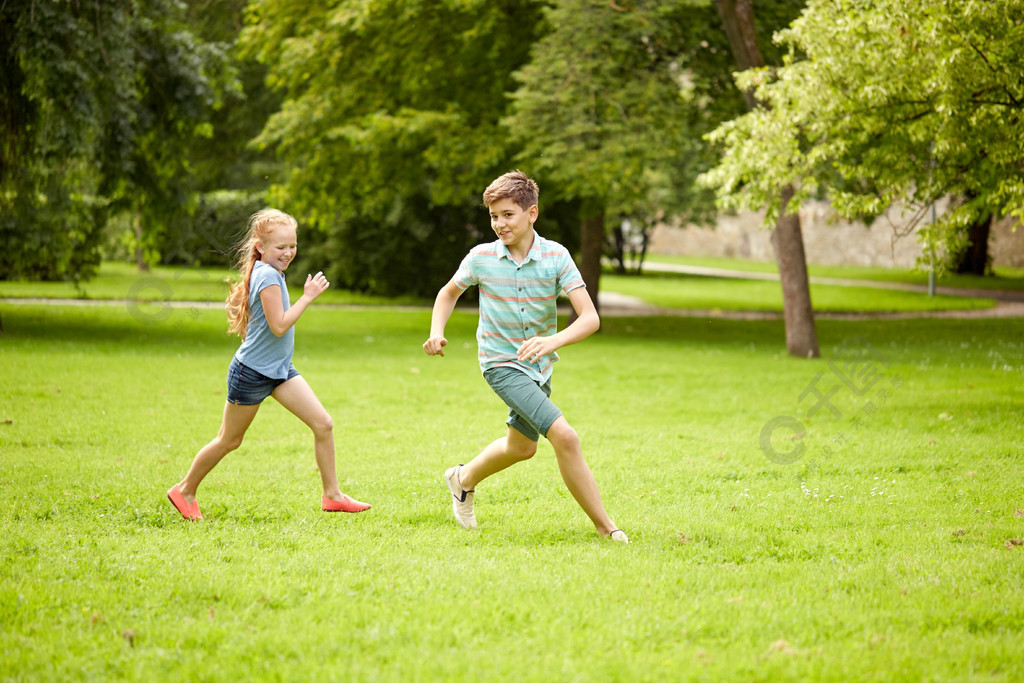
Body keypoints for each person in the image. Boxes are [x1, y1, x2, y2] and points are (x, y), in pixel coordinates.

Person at [422, 171, 627, 542]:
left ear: (532, 213)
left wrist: (552, 342)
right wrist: (437, 331)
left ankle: (462, 479)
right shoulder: (481, 258)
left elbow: (590, 318)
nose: (499, 223)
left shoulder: (556, 257)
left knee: (522, 447)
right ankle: (606, 527)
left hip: (540, 365)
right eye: (493, 216)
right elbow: (448, 293)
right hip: (500, 364)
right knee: (565, 436)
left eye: (507, 215)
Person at [167, 208, 370, 520]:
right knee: (229, 439)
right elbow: (278, 325)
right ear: (261, 246)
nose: (288, 253)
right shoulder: (267, 276)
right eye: (281, 247)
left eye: (292, 246)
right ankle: (184, 489)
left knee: (323, 424)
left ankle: (332, 496)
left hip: (278, 369)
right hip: (252, 374)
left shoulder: (270, 272)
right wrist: (307, 297)